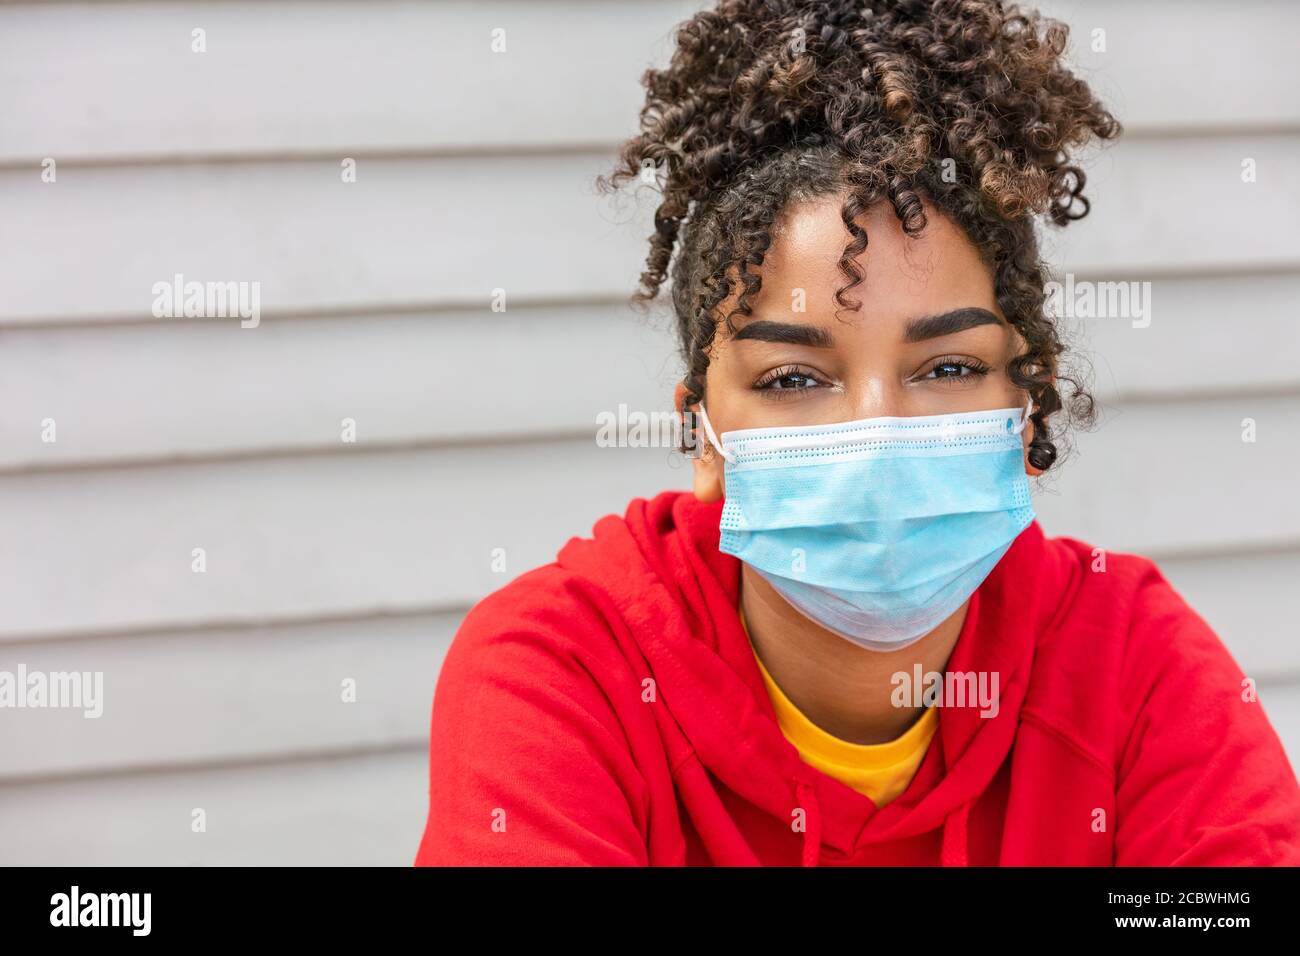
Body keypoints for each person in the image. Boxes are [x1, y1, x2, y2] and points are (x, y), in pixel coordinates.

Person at [414, 0, 1300, 865]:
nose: (877, 431)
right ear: (702, 434)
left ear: (1026, 399)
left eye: (948, 367)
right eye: (793, 379)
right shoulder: (562, 673)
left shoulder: (1129, 663)